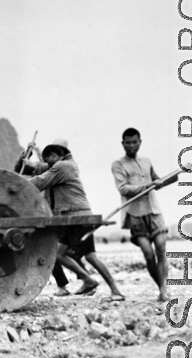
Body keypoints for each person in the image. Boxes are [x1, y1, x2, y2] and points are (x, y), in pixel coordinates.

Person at [17, 139, 125, 301]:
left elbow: (40, 181)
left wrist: (16, 185)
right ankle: (88, 280)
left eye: (47, 160)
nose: (46, 164)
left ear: (54, 156)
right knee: (58, 254)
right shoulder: (59, 165)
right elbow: (25, 168)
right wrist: (25, 156)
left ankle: (116, 291)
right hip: (68, 219)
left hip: (79, 217)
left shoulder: (63, 167)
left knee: (90, 256)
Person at [112, 128, 177, 302]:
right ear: (123, 144)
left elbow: (157, 182)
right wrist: (149, 185)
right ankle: (161, 286)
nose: (132, 145)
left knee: (161, 249)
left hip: (154, 212)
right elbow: (123, 188)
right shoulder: (118, 165)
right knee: (149, 254)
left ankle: (163, 290)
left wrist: (171, 178)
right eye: (128, 142)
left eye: (135, 142)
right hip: (135, 214)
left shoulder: (147, 161)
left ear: (140, 142)